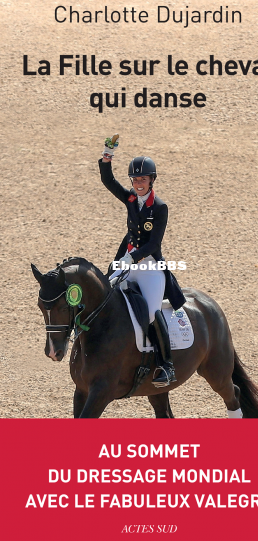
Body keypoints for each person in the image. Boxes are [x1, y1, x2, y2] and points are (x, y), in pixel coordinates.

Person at [98, 134, 186, 387]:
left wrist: (132, 257)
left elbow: (153, 244)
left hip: (149, 267)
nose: (138, 183)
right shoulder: (130, 200)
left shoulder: (159, 207)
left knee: (150, 312)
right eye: (135, 180)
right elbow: (107, 180)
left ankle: (166, 366)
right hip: (126, 262)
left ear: (151, 180)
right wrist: (107, 155)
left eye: (142, 179)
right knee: (104, 297)